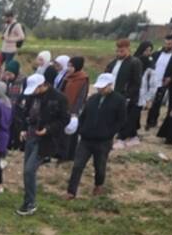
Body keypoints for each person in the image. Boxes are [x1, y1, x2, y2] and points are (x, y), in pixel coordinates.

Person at [66, 72, 127, 199]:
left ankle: (99, 185)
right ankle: (71, 191)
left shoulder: (119, 100)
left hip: (103, 141)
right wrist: (81, 129)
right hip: (86, 139)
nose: (100, 89)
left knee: (99, 165)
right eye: (99, 87)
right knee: (77, 165)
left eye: (103, 87)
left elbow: (121, 120)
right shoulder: (93, 98)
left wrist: (109, 133)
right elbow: (83, 116)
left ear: (111, 85)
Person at [17, 73, 68, 216]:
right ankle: (27, 200)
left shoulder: (59, 98)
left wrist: (48, 129)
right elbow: (25, 113)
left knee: (29, 170)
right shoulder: (32, 96)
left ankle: (31, 202)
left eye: (35, 89)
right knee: (27, 171)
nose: (32, 92)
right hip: (31, 136)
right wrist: (22, 128)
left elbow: (64, 119)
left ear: (42, 85)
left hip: (46, 140)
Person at [108, 39, 144, 147]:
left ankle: (122, 138)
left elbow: (136, 82)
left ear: (128, 49)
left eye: (122, 51)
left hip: (126, 95)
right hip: (113, 92)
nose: (119, 53)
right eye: (117, 51)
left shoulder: (135, 62)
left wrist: (128, 95)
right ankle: (133, 137)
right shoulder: (113, 62)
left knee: (125, 117)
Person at [145, 34, 172, 131]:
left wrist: (170, 78)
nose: (167, 45)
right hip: (151, 81)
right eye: (166, 43)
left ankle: (151, 122)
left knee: (157, 103)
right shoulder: (156, 54)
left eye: (170, 44)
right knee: (148, 101)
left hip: (163, 83)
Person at [60, 57, 89, 160]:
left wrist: (74, 113)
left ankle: (69, 156)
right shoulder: (67, 76)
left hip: (73, 111)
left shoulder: (82, 79)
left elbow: (81, 97)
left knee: (71, 134)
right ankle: (61, 154)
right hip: (64, 108)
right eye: (68, 65)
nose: (68, 68)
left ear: (77, 66)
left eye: (71, 66)